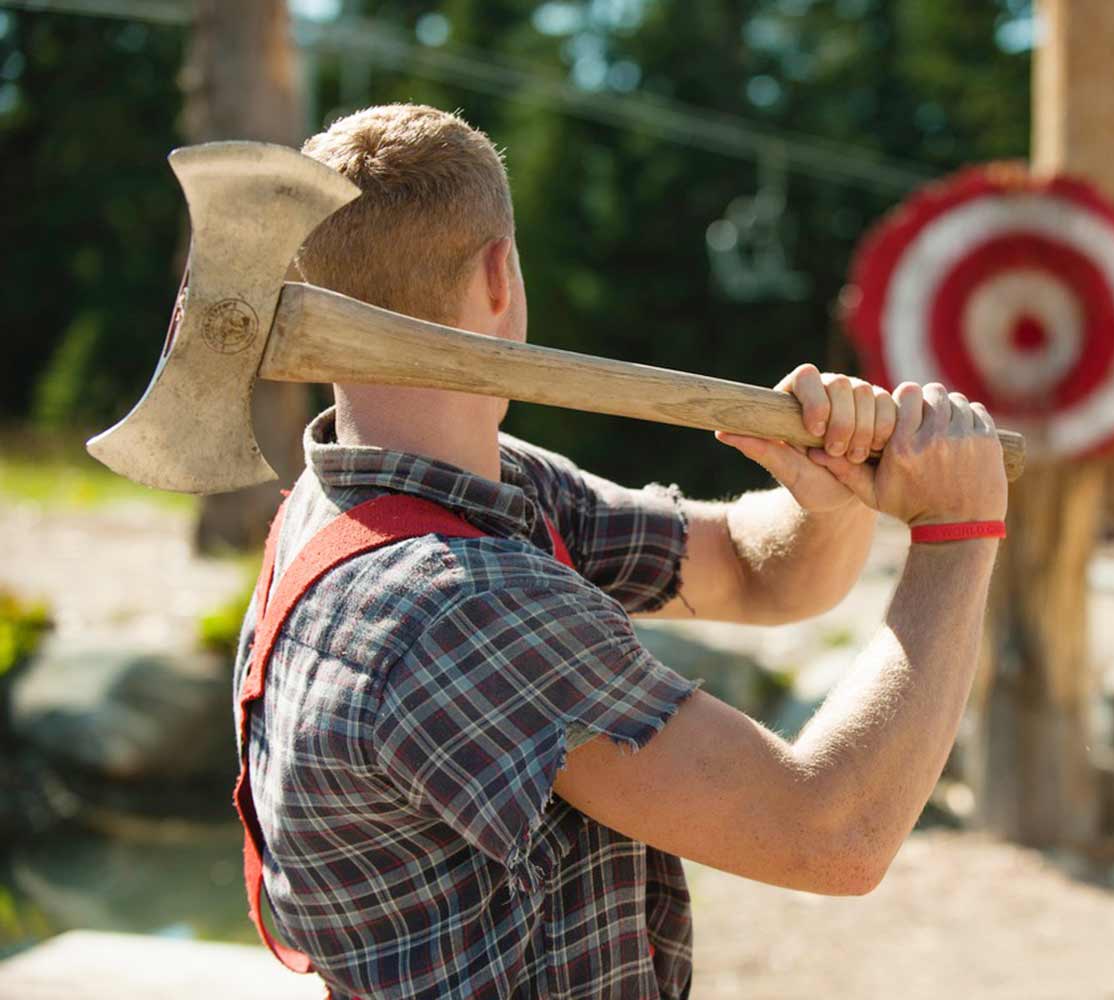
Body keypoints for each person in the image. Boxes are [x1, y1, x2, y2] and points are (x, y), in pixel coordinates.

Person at [233, 103, 1008, 1000]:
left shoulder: (395, 496)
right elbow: (833, 834)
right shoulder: (465, 602)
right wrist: (957, 533)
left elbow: (757, 575)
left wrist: (829, 496)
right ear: (499, 275)